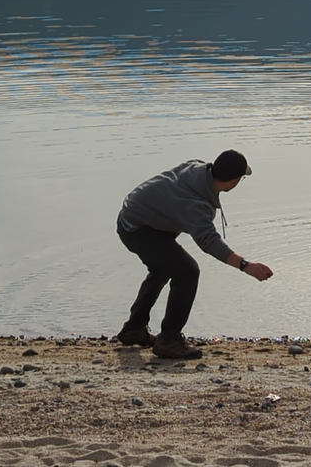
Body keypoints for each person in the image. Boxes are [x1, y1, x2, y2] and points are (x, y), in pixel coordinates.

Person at [114, 149, 273, 359]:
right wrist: (245, 265)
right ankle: (168, 341)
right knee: (187, 271)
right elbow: (209, 242)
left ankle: (134, 330)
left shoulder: (197, 168)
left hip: (142, 220)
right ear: (235, 180)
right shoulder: (194, 205)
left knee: (163, 268)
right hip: (136, 228)